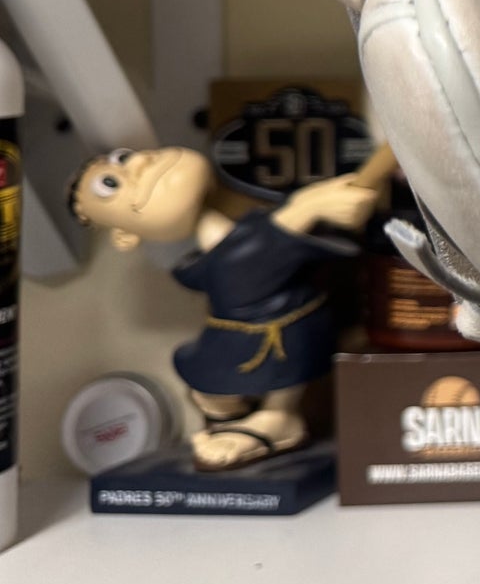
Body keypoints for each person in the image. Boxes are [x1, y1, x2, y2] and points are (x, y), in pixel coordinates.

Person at [68, 146, 379, 469]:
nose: (139, 161)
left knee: (263, 353)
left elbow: (254, 252)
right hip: (252, 337)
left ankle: (279, 415)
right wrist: (305, 208)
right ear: (125, 236)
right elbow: (250, 258)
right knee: (211, 385)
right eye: (111, 183)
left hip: (289, 329)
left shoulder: (242, 231)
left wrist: (307, 207)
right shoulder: (223, 255)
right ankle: (250, 418)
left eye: (124, 157)